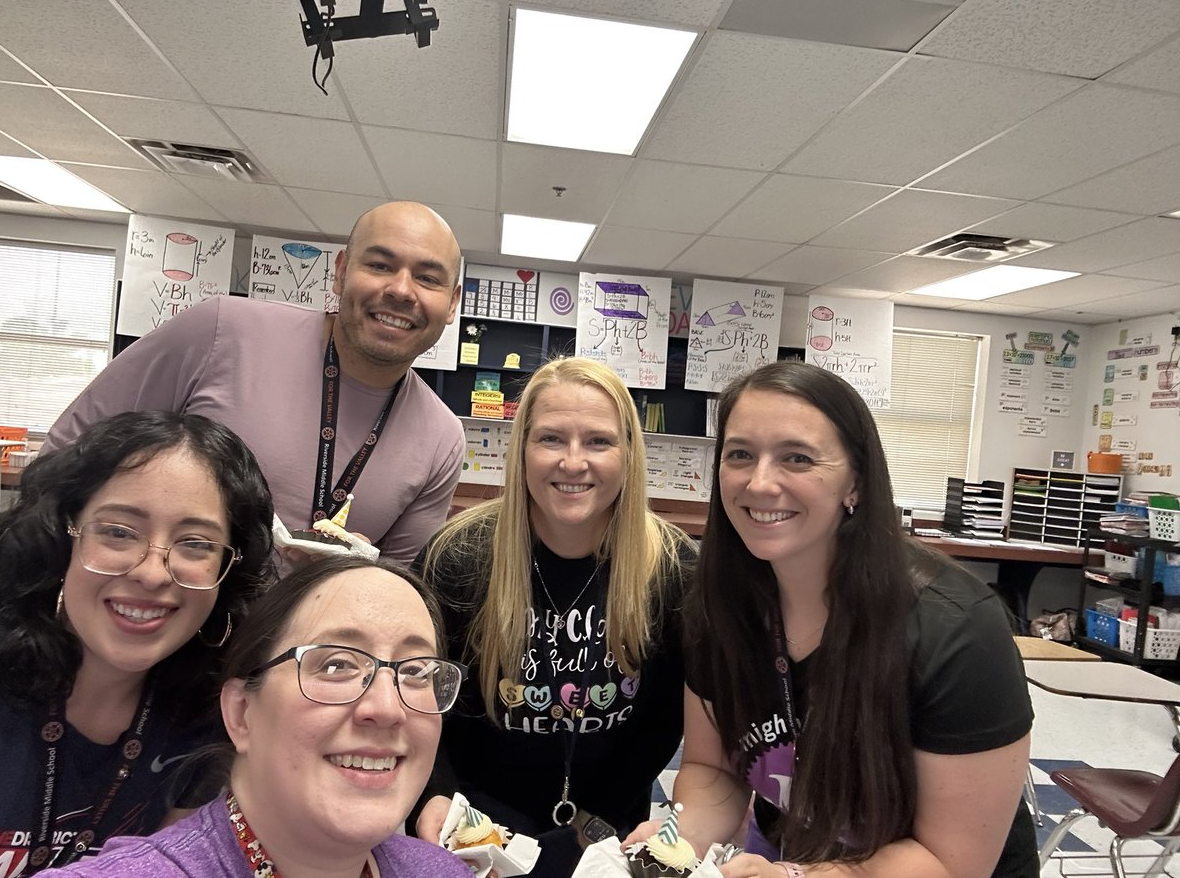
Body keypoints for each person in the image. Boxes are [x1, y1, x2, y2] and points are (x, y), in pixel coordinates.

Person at [626, 361, 1036, 878]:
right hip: (799, 855)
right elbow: (713, 771)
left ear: (856, 483)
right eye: (740, 455)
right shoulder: (718, 606)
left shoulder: (955, 630)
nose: (760, 482)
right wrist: (679, 838)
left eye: (797, 457)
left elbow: (949, 862)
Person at [45, 201, 466, 563]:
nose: (401, 290)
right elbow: (66, 454)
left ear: (452, 304)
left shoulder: (441, 438)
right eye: (379, 265)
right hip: (153, 620)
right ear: (340, 273)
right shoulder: (222, 330)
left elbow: (400, 582)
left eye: (428, 278)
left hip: (298, 653)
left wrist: (352, 578)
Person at [410, 357, 698, 876]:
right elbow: (418, 696)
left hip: (605, 837)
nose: (572, 462)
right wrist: (433, 796)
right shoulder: (456, 557)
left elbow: (663, 723)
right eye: (550, 439)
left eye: (598, 441)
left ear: (629, 453)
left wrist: (595, 824)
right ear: (521, 450)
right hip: (469, 828)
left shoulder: (673, 569)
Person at [38, 556, 474, 878]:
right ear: (241, 714)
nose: (386, 708)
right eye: (336, 665)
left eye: (416, 671)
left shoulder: (441, 871)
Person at [0, 410, 276, 874]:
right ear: (64, 535)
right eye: (119, 532)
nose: (152, 573)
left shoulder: (213, 716)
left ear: (228, 568)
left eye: (195, 543)